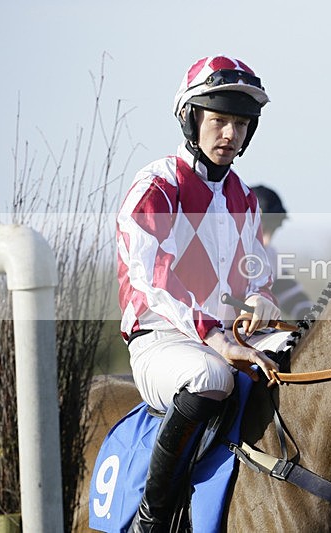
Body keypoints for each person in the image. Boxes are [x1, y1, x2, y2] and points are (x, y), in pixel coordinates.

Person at [116, 55, 282, 531]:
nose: (230, 134)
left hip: (227, 336)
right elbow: (155, 278)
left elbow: (257, 269)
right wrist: (216, 337)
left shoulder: (244, 197)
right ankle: (154, 516)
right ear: (192, 120)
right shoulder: (156, 185)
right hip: (162, 340)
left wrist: (261, 299)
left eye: (241, 124)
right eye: (219, 120)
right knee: (213, 377)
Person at [250, 185, 314, 320]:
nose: (267, 240)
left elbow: (293, 298)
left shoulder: (270, 255)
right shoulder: (227, 254)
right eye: (265, 227)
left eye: (274, 229)